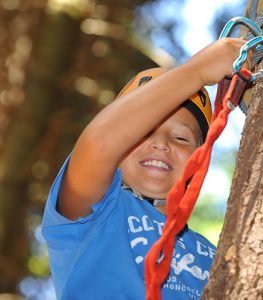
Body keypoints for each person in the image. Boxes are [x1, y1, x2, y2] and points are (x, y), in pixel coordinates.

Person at [42, 37, 247, 300]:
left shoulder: (214, 255)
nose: (161, 144)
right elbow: (100, 143)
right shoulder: (95, 214)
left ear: (198, 157)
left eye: (181, 138)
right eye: (143, 133)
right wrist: (197, 71)